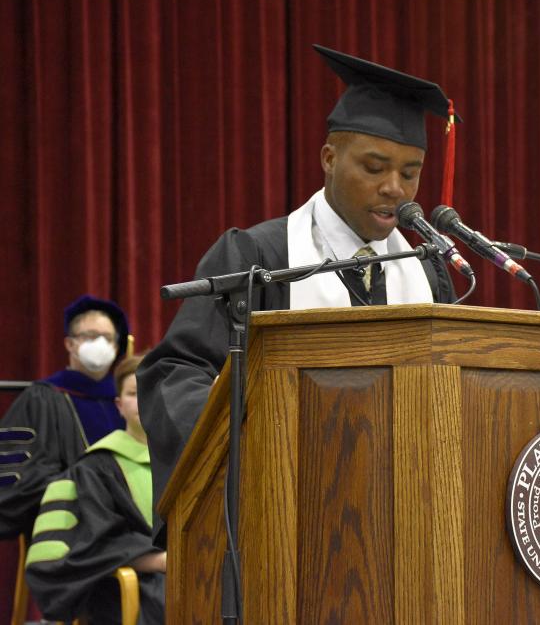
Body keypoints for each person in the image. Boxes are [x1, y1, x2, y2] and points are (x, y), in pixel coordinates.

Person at [138, 45, 460, 544]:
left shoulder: (425, 269)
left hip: (402, 521)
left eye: (410, 172)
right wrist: (254, 452)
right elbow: (178, 373)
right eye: (375, 167)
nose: (395, 188)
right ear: (329, 158)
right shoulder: (259, 258)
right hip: (281, 516)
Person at [25, 354, 165, 624]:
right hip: (128, 586)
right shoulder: (96, 468)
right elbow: (99, 543)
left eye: (152, 389)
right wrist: (161, 561)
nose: (144, 399)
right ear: (119, 405)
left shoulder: (186, 461)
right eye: (134, 393)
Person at [0, 294, 131, 538]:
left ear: (116, 347)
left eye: (108, 338)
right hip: (68, 528)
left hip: (133, 526)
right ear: (70, 344)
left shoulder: (128, 401)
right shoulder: (42, 398)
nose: (100, 344)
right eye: (90, 336)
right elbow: (26, 477)